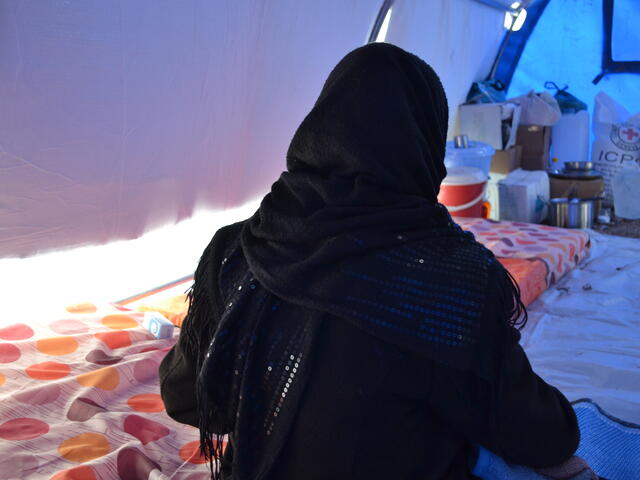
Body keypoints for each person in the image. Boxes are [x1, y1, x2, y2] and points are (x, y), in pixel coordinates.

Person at [159, 43, 580, 480]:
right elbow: (544, 435)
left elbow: (185, 397)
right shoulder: (452, 283)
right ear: (424, 145)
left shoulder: (237, 250)